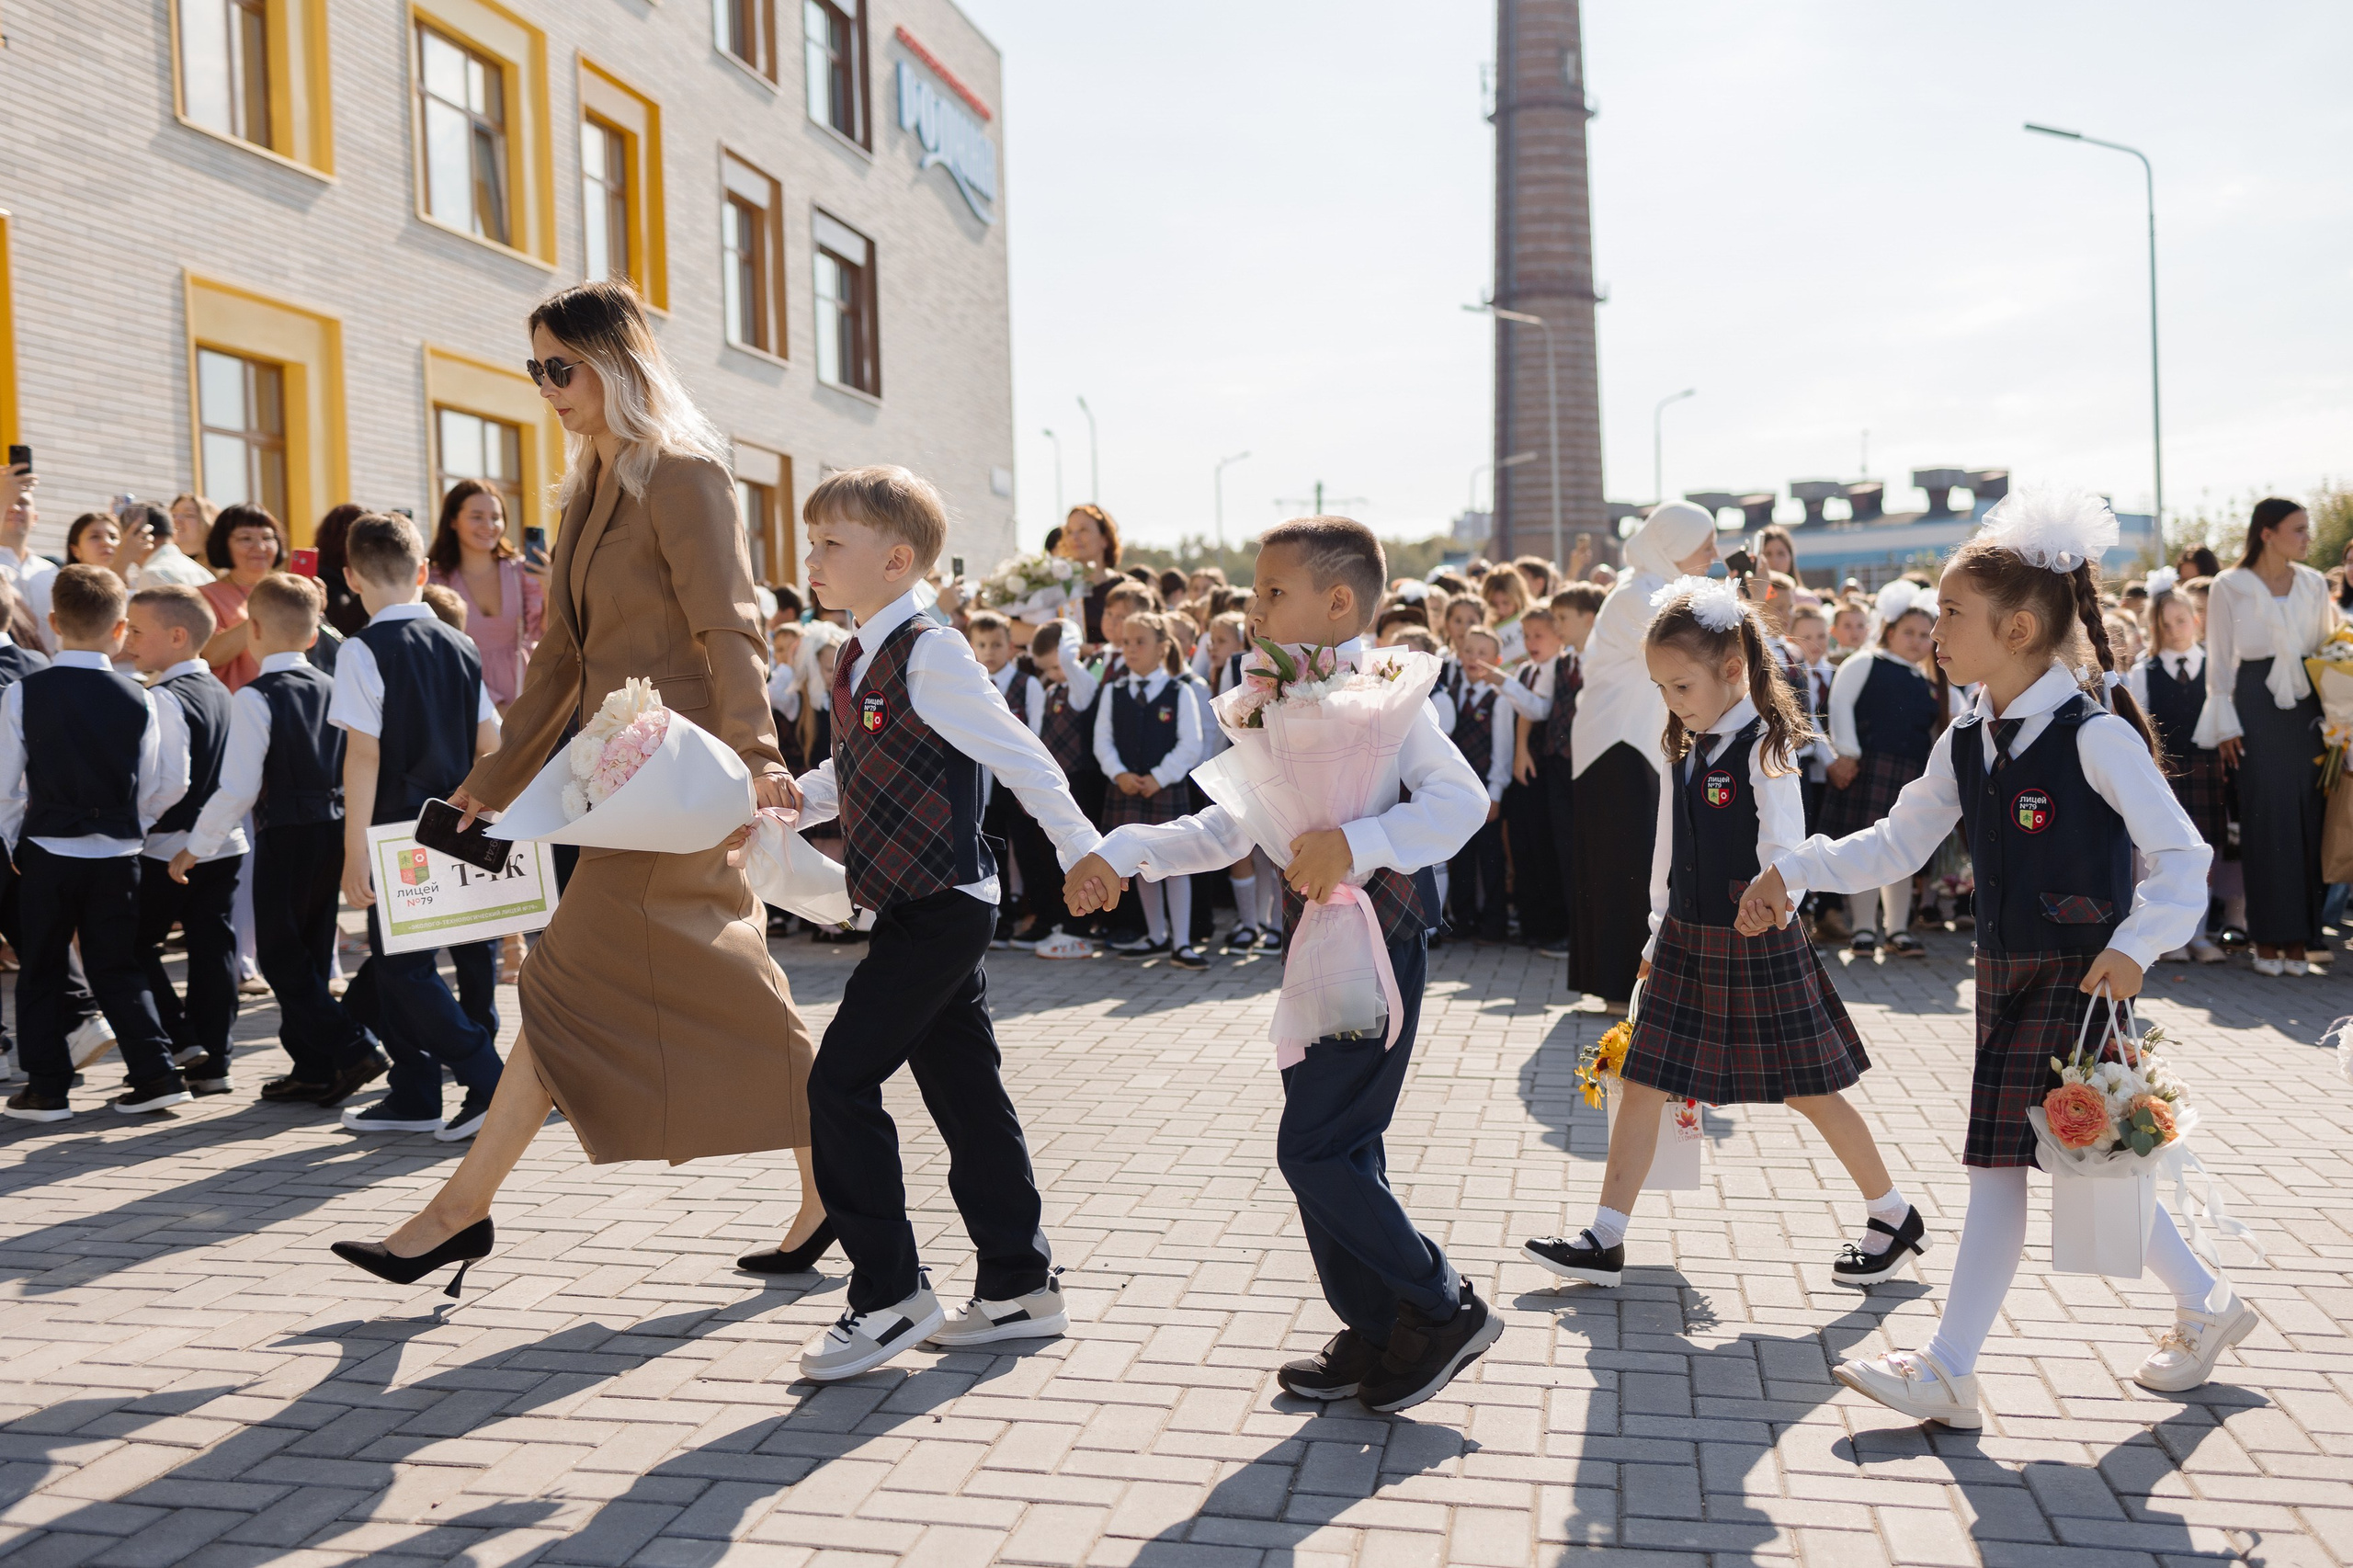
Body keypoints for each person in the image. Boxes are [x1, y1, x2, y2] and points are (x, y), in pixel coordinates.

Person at [332, 281, 827, 1300]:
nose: (548, 386)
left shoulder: (684, 473)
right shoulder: (589, 485)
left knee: (564, 984)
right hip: (618, 786)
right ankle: (840, 1186)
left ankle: (457, 1212)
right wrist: (485, 784)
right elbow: (560, 663)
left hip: (682, 781)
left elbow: (728, 627)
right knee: (730, 988)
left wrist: (758, 752)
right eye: (536, 368)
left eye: (563, 365)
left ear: (619, 361)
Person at [1738, 488, 2250, 1422]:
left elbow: (2182, 854)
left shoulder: (2092, 733)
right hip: (1999, 976)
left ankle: (1948, 1367)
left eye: (1949, 613)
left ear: (2018, 628)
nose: (1934, 629)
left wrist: (2137, 944)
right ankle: (2209, 1303)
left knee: (2006, 1167)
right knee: (2080, 1158)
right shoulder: (1966, 734)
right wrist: (1795, 867)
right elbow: (1897, 840)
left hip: (2080, 977)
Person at [1064, 515, 1498, 1413]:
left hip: (1380, 937)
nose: (1254, 606)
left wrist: (1359, 840)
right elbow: (1234, 824)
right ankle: (1379, 1324)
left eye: (1272, 591)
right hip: (1320, 942)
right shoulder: (1280, 693)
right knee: (1339, 1139)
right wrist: (1128, 848)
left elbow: (1462, 801)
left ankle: (1440, 1303)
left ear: (1338, 600)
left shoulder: (1387, 688)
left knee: (1314, 1146)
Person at [786, 464, 1103, 1381]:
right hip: (916, 906)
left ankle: (888, 1294)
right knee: (968, 1097)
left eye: (828, 543)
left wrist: (1085, 852)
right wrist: (776, 800)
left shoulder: (930, 650)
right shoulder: (854, 655)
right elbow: (852, 777)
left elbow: (1022, 756)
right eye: (811, 542)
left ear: (894, 559)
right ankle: (1019, 1285)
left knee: (838, 1082)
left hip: (944, 907)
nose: (812, 558)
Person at [1525, 576, 1920, 1291]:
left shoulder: (1768, 747)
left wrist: (1778, 903)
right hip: (1685, 937)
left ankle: (1892, 1213)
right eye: (1662, 688)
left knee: (1810, 1089)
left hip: (1754, 940)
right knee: (1643, 1078)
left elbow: (1791, 848)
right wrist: (1652, 938)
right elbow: (1666, 854)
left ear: (1733, 670)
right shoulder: (1687, 744)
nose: (1672, 701)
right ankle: (1605, 1235)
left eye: (1681, 685)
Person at [321, 513, 506, 1141]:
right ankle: (416, 1093)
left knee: (403, 970)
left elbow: (363, 756)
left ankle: (490, 1081)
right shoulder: (462, 644)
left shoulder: (360, 648)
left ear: (349, 578)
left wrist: (354, 854)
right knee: (456, 952)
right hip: (462, 819)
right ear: (424, 572)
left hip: (398, 829)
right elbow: (491, 741)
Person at [176, 573, 386, 1105]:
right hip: (334, 827)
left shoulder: (254, 696)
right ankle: (313, 1067)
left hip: (286, 832)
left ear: (254, 631)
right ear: (315, 636)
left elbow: (240, 786)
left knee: (278, 954)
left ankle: (351, 1045)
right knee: (312, 949)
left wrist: (196, 846)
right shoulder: (332, 688)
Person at [0, 565, 194, 1121]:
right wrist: (130, 821)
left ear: (54, 621)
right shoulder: (144, 698)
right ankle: (157, 1074)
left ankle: (47, 1089)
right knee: (118, 966)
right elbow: (167, 783)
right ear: (120, 628)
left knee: (41, 968)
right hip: (119, 854)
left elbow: (7, 785)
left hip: (47, 850)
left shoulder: (23, 693)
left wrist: (13, 840)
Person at [1571, 501, 1720, 1012]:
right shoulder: (1641, 594)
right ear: (1674, 548)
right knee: (1626, 868)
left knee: (1641, 866)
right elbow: (1696, 641)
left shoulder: (1655, 588)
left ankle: (1625, 982)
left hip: (1635, 750)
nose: (1715, 556)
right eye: (1706, 546)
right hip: (1614, 752)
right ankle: (1619, 986)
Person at [2198, 498, 2335, 975]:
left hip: (2309, 709)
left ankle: (2301, 940)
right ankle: (2268, 942)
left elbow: (2329, 652)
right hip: (2252, 706)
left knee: (2308, 819)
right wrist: (2225, 721)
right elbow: (2218, 660)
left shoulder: (2316, 583)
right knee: (2263, 820)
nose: (2307, 539)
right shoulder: (2228, 585)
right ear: (2267, 533)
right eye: (2298, 530)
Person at [125, 585, 243, 1094]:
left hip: (171, 845)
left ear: (176, 636)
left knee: (131, 945)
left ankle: (180, 1037)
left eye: (135, 630)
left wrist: (139, 824)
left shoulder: (164, 698)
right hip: (226, 842)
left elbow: (168, 781)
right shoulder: (223, 691)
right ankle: (213, 1060)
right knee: (211, 945)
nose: (128, 640)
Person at [1819, 582, 1946, 957]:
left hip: (1910, 772)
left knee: (1904, 851)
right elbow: (1840, 704)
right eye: (1908, 632)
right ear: (1889, 631)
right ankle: (1862, 928)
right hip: (1869, 769)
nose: (1917, 641)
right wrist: (1847, 752)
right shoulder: (1866, 662)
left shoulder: (1927, 681)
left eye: (1925, 635)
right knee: (1867, 849)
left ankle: (1898, 930)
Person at [1095, 610, 1209, 967]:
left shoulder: (1180, 691)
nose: (1130, 649)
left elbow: (1192, 743)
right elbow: (1103, 742)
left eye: (1140, 642)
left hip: (1165, 789)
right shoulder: (1112, 691)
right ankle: (1157, 935)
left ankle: (1183, 942)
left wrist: (1160, 776)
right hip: (1126, 788)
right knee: (1142, 861)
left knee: (1175, 864)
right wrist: (1119, 774)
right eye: (1126, 642)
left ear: (1162, 647)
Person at [2127, 574, 2229, 964]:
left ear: (2196, 620)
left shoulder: (2217, 668)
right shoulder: (2143, 671)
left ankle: (2199, 935)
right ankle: (2165, 940)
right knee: (2164, 851)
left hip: (2207, 769)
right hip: (2164, 772)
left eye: (2180, 621)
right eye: (2164, 624)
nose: (2173, 631)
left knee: (2203, 853)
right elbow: (2138, 727)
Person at [426, 478, 546, 714]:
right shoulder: (435, 581)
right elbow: (439, 656)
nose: (489, 525)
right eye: (477, 516)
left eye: (495, 517)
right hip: (466, 698)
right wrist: (492, 704)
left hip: (526, 697)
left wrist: (550, 587)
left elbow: (545, 633)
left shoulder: (520, 572)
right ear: (452, 521)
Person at [1498, 606, 1567, 954]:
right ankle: (1532, 924)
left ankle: (1553, 926)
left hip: (1548, 771)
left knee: (1546, 849)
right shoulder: (1527, 670)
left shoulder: (1560, 668)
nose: (1530, 642)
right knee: (1525, 847)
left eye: (1539, 635)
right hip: (1524, 771)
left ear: (1560, 635)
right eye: (1526, 635)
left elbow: (1539, 709)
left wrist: (1502, 681)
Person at [1447, 627, 1515, 941]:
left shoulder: (1498, 700)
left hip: (1486, 789)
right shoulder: (1450, 692)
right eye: (1469, 650)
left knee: (1490, 859)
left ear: (1497, 660)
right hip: (1457, 790)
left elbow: (1502, 752)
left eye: (1483, 653)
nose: (1474, 658)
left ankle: (1494, 922)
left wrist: (1496, 793)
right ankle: (1463, 919)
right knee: (1460, 857)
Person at [197, 503, 290, 690]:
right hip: (237, 707)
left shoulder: (288, 589)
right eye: (245, 538)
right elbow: (211, 655)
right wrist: (270, 609)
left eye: (267, 537)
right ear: (224, 545)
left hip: (286, 703)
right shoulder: (203, 596)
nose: (260, 547)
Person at [1056, 504, 1125, 645]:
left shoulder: (1125, 588)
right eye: (1069, 531)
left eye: (1083, 530)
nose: (1074, 537)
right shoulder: (1053, 585)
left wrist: (1091, 650)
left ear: (1105, 539)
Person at [114, 503, 217, 589]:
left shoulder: (154, 574)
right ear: (173, 534)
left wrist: (120, 563)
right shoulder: (203, 573)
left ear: (138, 536)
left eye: (122, 538)